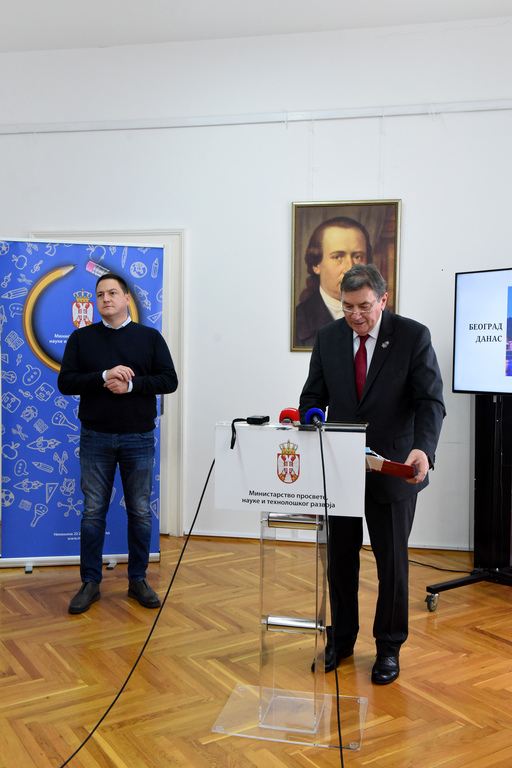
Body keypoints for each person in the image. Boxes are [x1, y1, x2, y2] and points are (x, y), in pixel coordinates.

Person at [299, 264, 445, 684]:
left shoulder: (412, 336)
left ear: (383, 299)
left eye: (364, 306)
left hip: (394, 468)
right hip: (340, 469)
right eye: (347, 307)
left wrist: (424, 449)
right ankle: (342, 639)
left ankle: (388, 648)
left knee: (392, 565)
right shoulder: (328, 337)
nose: (355, 316)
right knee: (340, 561)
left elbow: (430, 401)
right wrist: (311, 415)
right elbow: (313, 395)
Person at [58, 272, 178, 614]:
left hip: (138, 436)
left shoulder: (149, 337)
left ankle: (138, 580)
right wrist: (103, 376)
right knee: (93, 511)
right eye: (100, 294)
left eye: (112, 293)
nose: (105, 299)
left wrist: (131, 385)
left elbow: (169, 380)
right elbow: (66, 382)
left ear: (126, 299)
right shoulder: (81, 338)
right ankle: (90, 583)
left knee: (139, 510)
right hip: (94, 436)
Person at [294, 217, 371, 347]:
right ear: (316, 265)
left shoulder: (381, 318)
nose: (349, 268)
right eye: (337, 257)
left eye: (358, 257)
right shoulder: (298, 322)